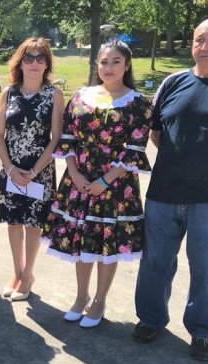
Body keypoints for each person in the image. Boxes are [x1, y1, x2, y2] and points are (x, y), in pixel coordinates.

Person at [133, 17, 208, 361]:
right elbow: (157, 133)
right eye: (199, 40)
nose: (205, 46)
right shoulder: (173, 83)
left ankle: (203, 330)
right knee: (155, 261)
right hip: (165, 191)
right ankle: (151, 318)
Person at [43, 40, 152, 328]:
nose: (109, 67)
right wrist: (75, 175)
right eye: (104, 62)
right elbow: (67, 138)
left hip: (115, 184)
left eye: (116, 62)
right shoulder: (80, 96)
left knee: (106, 242)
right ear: (97, 65)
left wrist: (105, 180)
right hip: (79, 178)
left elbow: (135, 148)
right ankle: (81, 297)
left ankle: (99, 301)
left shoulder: (139, 103)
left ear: (126, 65)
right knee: (82, 238)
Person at [0, 38, 64, 301]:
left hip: (39, 171)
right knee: (13, 222)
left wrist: (34, 171)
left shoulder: (54, 95)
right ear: (20, 62)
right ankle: (16, 273)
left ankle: (28, 275)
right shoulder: (8, 92)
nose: (35, 63)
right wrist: (10, 168)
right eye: (29, 58)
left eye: (40, 58)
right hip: (10, 169)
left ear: (47, 64)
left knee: (33, 225)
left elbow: (56, 138)